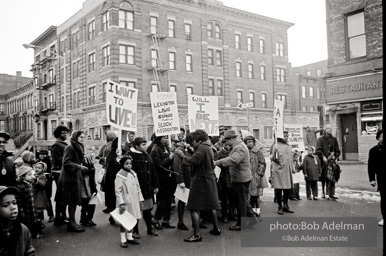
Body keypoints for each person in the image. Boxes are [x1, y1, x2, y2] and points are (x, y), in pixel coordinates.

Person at [177, 129, 221, 242]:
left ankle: (197, 234)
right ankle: (216, 228)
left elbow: (194, 161)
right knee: (213, 204)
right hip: (210, 178)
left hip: (201, 179)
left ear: (198, 140)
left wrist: (182, 156)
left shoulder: (202, 148)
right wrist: (193, 151)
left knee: (193, 206)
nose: (193, 143)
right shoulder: (208, 147)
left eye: (194, 141)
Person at [214, 130, 252, 231]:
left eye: (226, 141)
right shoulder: (238, 146)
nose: (225, 143)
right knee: (243, 201)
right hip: (240, 178)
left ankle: (241, 224)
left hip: (241, 179)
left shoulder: (239, 147)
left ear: (231, 139)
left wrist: (217, 162)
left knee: (241, 202)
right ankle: (253, 219)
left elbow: (233, 160)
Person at [126, 137, 159, 237]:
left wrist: (156, 185)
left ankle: (150, 228)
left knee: (148, 210)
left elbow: (153, 171)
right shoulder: (130, 156)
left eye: (145, 144)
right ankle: (135, 231)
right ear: (136, 146)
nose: (145, 146)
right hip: (136, 187)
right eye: (143, 145)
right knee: (135, 210)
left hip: (148, 187)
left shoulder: (147, 155)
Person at [56, 130, 89, 232]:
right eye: (80, 137)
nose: (82, 139)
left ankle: (72, 222)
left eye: (83, 137)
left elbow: (79, 160)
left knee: (73, 201)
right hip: (68, 178)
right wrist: (79, 167)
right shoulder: (70, 148)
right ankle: (71, 223)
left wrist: (85, 159)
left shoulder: (80, 147)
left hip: (75, 177)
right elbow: (66, 163)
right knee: (71, 201)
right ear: (75, 138)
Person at [115, 156, 143, 247]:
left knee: (132, 218)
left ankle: (130, 236)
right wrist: (121, 203)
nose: (129, 165)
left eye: (130, 163)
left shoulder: (133, 173)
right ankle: (123, 239)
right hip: (125, 201)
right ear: (122, 164)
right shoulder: (120, 176)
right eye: (126, 164)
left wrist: (140, 199)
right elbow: (118, 191)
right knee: (124, 220)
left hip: (134, 200)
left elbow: (138, 187)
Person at [0, 185, 36, 256]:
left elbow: (29, 251)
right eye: (6, 205)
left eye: (14, 203)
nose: (13, 207)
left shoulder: (23, 229)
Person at [150, 135, 176, 229]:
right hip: (161, 178)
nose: (167, 138)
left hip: (168, 177)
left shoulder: (165, 147)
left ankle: (166, 220)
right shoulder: (155, 149)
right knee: (162, 200)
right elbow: (159, 164)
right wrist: (170, 158)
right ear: (160, 139)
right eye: (165, 137)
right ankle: (156, 219)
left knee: (168, 199)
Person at [270, 130, 295, 215]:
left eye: (287, 135)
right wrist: (273, 156)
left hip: (287, 170)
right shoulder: (275, 146)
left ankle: (286, 205)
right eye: (284, 135)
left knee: (287, 188)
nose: (286, 137)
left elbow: (291, 158)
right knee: (279, 188)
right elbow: (273, 158)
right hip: (279, 169)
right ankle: (280, 206)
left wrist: (293, 168)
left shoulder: (289, 146)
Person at [244, 135, 267, 220]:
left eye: (251, 142)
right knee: (249, 197)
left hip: (255, 177)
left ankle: (258, 213)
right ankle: (251, 214)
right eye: (247, 142)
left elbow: (263, 163)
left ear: (254, 142)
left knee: (256, 197)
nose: (249, 143)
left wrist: (259, 174)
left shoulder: (258, 152)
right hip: (247, 177)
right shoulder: (245, 151)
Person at [315, 124, 341, 200]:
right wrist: (323, 157)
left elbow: (337, 150)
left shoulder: (334, 139)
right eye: (328, 128)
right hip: (323, 162)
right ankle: (324, 193)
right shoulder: (320, 139)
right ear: (325, 130)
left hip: (332, 162)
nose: (329, 130)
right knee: (324, 178)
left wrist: (335, 156)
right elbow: (318, 150)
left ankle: (331, 193)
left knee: (333, 178)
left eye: (330, 128)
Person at [51, 125, 69, 225]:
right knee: (61, 195)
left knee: (64, 195)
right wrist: (68, 159)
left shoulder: (63, 144)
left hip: (64, 172)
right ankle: (59, 217)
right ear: (58, 134)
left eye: (66, 133)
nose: (65, 134)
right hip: (59, 172)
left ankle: (62, 215)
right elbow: (56, 160)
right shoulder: (56, 145)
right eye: (63, 133)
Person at [15, 166, 41, 238]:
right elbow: (19, 201)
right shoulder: (20, 187)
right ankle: (27, 238)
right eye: (29, 175)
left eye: (33, 174)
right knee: (27, 223)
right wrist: (21, 211)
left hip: (31, 207)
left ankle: (34, 234)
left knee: (33, 221)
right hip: (26, 209)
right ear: (22, 176)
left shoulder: (29, 183)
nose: (32, 177)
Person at [96, 130, 117, 214]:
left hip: (107, 169)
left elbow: (103, 158)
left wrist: (102, 160)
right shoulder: (111, 147)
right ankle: (110, 207)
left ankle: (110, 207)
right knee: (111, 190)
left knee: (108, 190)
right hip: (111, 169)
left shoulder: (107, 147)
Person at [173, 139, 192, 231]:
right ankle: (180, 222)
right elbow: (177, 166)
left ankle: (195, 221)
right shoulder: (179, 152)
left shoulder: (190, 150)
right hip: (185, 179)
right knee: (182, 201)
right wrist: (180, 180)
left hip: (191, 178)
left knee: (189, 201)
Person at [368, 130, 384, 226]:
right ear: (378, 138)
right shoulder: (373, 150)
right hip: (382, 177)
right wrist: (372, 179)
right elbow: (371, 166)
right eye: (382, 136)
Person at [217, 142, 235, 223]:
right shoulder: (219, 154)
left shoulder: (233, 152)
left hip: (232, 178)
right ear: (223, 144)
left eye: (229, 145)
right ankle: (224, 215)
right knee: (224, 198)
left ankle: (231, 214)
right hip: (223, 178)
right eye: (227, 145)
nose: (228, 146)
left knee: (232, 198)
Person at [36, 150, 54, 222]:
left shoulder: (49, 162)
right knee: (39, 200)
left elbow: (51, 172)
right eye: (40, 154)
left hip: (47, 183)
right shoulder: (37, 161)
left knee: (47, 199)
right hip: (40, 183)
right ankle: (41, 216)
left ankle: (51, 215)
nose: (42, 155)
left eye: (44, 154)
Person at [79, 154, 97, 227]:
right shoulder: (92, 169)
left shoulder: (81, 170)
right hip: (89, 189)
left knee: (84, 206)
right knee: (92, 205)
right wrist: (95, 190)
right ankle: (88, 219)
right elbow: (92, 181)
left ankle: (83, 219)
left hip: (83, 190)